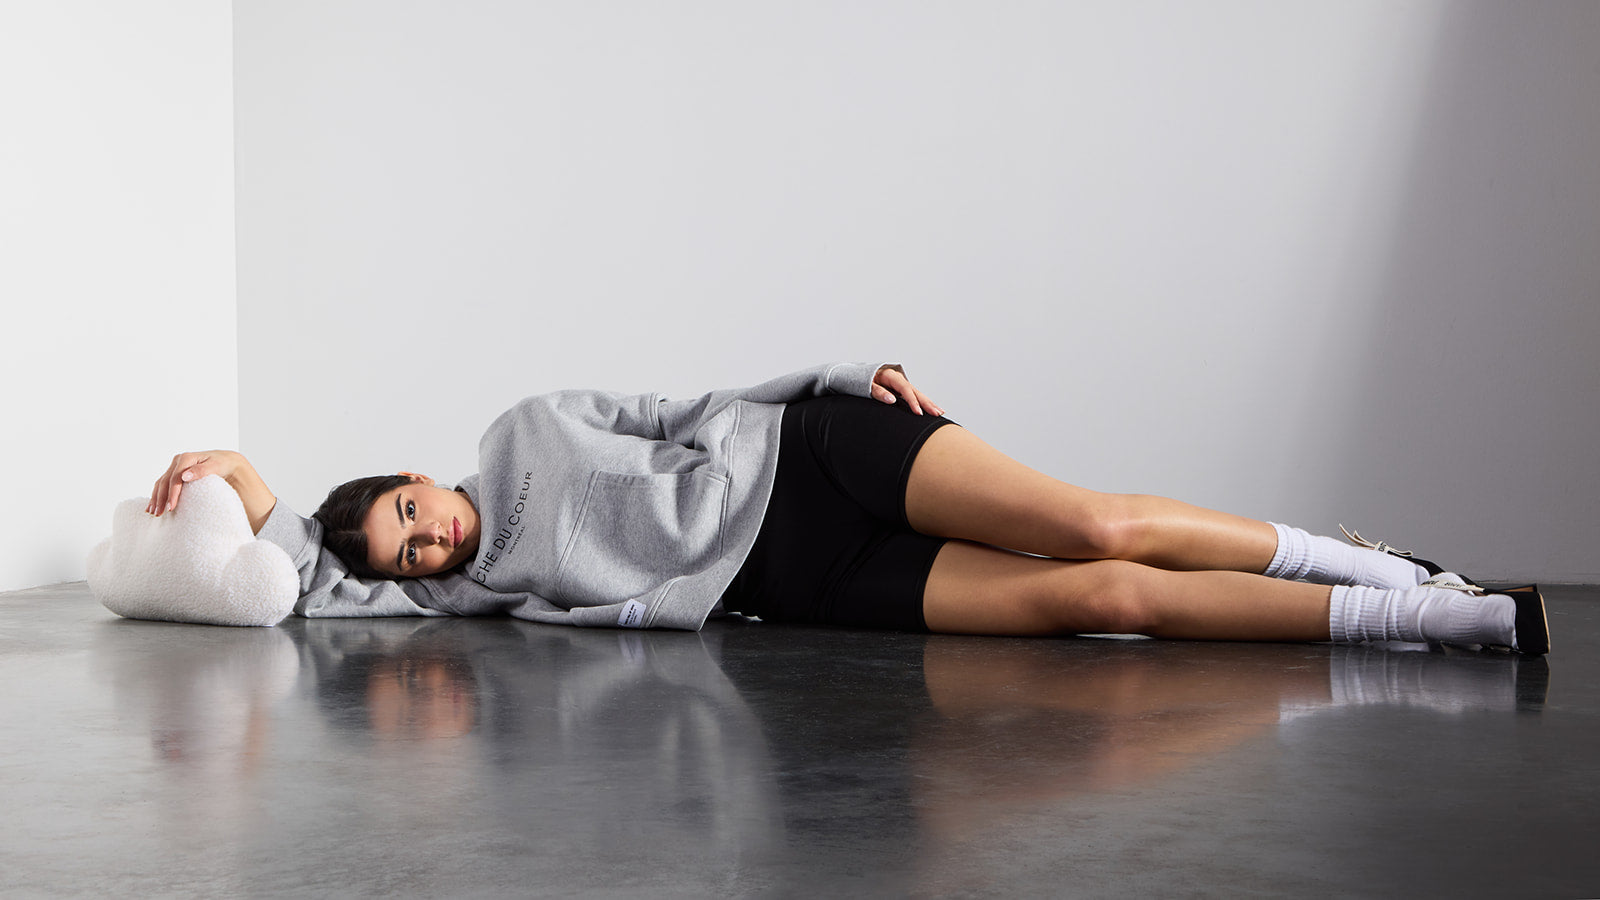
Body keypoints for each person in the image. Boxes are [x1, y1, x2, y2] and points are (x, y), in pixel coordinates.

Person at [146, 362, 1549, 654]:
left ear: (414, 474)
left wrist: (837, 378)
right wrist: (241, 484)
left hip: (815, 456)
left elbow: (683, 406)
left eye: (410, 510)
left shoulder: (523, 429)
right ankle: (1445, 624)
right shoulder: (472, 593)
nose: (428, 537)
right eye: (407, 551)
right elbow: (302, 581)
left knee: (1098, 528)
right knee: (1102, 602)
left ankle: (1370, 563)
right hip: (795, 583)